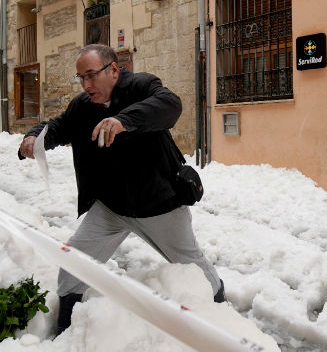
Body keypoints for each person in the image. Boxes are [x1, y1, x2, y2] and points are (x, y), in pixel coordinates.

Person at [18, 44, 225, 336]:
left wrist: (123, 121)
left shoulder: (142, 86)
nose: (86, 84)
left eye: (91, 75)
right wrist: (34, 136)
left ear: (113, 70)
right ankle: (64, 330)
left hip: (159, 205)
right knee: (74, 261)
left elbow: (170, 105)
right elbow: (59, 126)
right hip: (111, 208)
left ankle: (221, 307)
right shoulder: (82, 106)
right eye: (81, 77)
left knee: (192, 265)